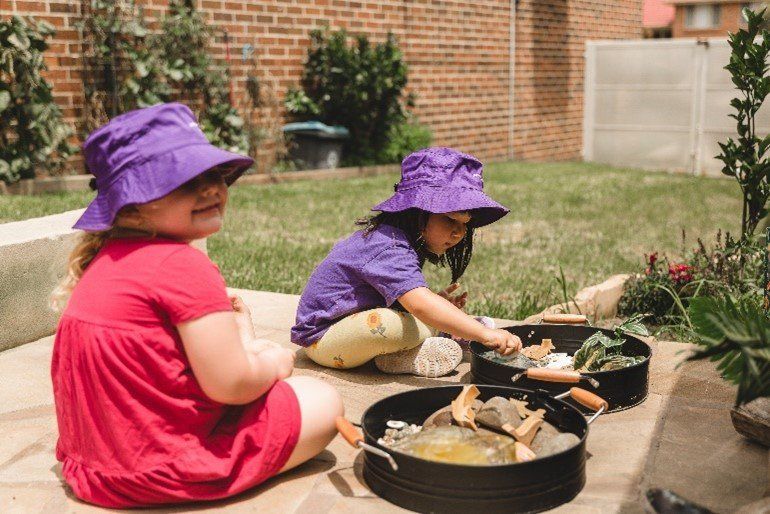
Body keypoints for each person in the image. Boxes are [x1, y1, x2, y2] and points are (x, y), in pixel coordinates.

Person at [50, 103, 342, 508]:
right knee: (321, 399)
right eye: (184, 181)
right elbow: (231, 385)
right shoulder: (182, 265)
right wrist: (274, 363)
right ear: (132, 203)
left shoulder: (106, 261)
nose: (210, 189)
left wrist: (245, 345)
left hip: (94, 469)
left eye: (214, 175)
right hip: (160, 471)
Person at [291, 147, 522, 377]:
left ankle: (440, 332)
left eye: (465, 225)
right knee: (385, 325)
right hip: (322, 338)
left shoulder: (396, 240)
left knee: (411, 317)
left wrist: (436, 304)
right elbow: (420, 304)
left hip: (347, 332)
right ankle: (437, 337)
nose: (458, 233)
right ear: (416, 210)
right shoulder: (386, 245)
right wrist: (483, 334)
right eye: (450, 220)